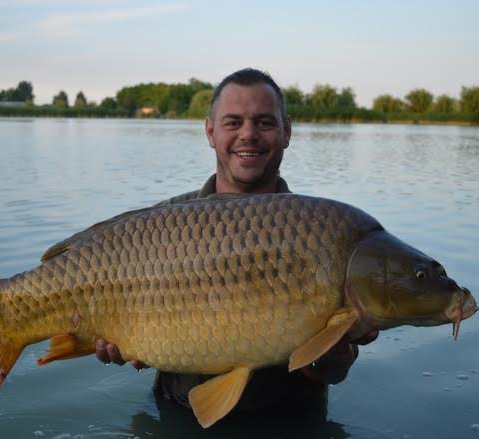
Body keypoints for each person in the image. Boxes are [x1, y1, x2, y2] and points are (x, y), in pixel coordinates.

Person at [95, 68, 379, 413]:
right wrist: (120, 341)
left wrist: (332, 354)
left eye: (264, 123)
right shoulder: (159, 226)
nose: (248, 134)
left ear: (286, 131)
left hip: (289, 420)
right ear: (210, 131)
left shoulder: (320, 233)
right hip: (176, 414)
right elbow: (130, 347)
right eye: (233, 123)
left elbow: (331, 374)